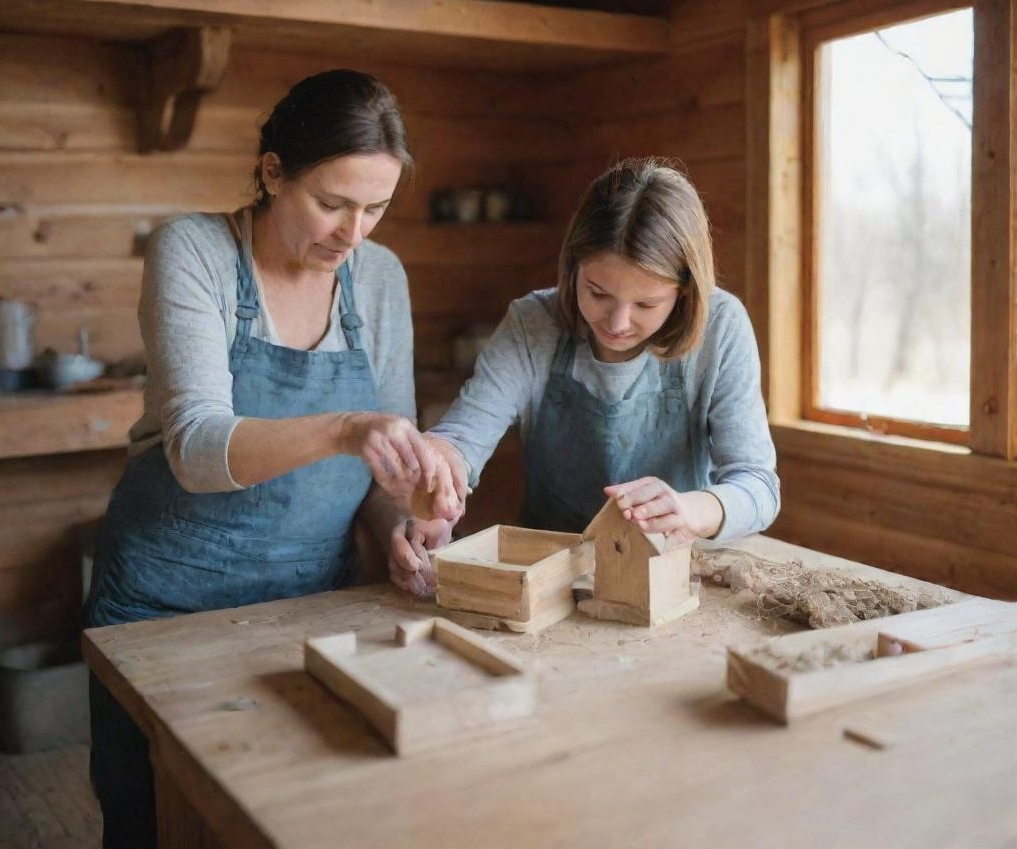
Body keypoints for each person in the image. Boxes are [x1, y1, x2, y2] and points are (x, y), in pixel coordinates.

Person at [84, 69, 458, 847]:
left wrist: (397, 521)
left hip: (310, 605)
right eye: (331, 203)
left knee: (291, 819)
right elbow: (194, 447)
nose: (353, 234)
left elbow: (387, 455)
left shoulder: (380, 278)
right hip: (165, 604)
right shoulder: (194, 250)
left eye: (376, 208)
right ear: (272, 172)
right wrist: (346, 428)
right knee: (152, 820)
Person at [413, 156, 779, 558]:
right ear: (573, 267)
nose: (618, 323)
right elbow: (463, 439)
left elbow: (758, 486)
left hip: (677, 569)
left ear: (685, 292)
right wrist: (437, 490)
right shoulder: (534, 322)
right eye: (598, 293)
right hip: (552, 566)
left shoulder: (721, 326)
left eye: (646, 303)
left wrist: (690, 510)